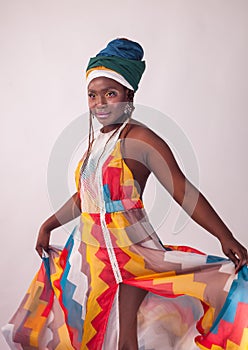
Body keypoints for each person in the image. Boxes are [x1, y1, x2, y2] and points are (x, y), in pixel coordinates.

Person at [2, 38, 248, 350]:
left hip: (131, 253)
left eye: (110, 93)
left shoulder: (140, 139)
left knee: (126, 339)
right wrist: (48, 224)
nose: (100, 103)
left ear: (129, 95)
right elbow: (85, 197)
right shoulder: (97, 142)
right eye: (93, 95)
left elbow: (181, 188)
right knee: (99, 334)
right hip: (92, 256)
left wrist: (224, 236)